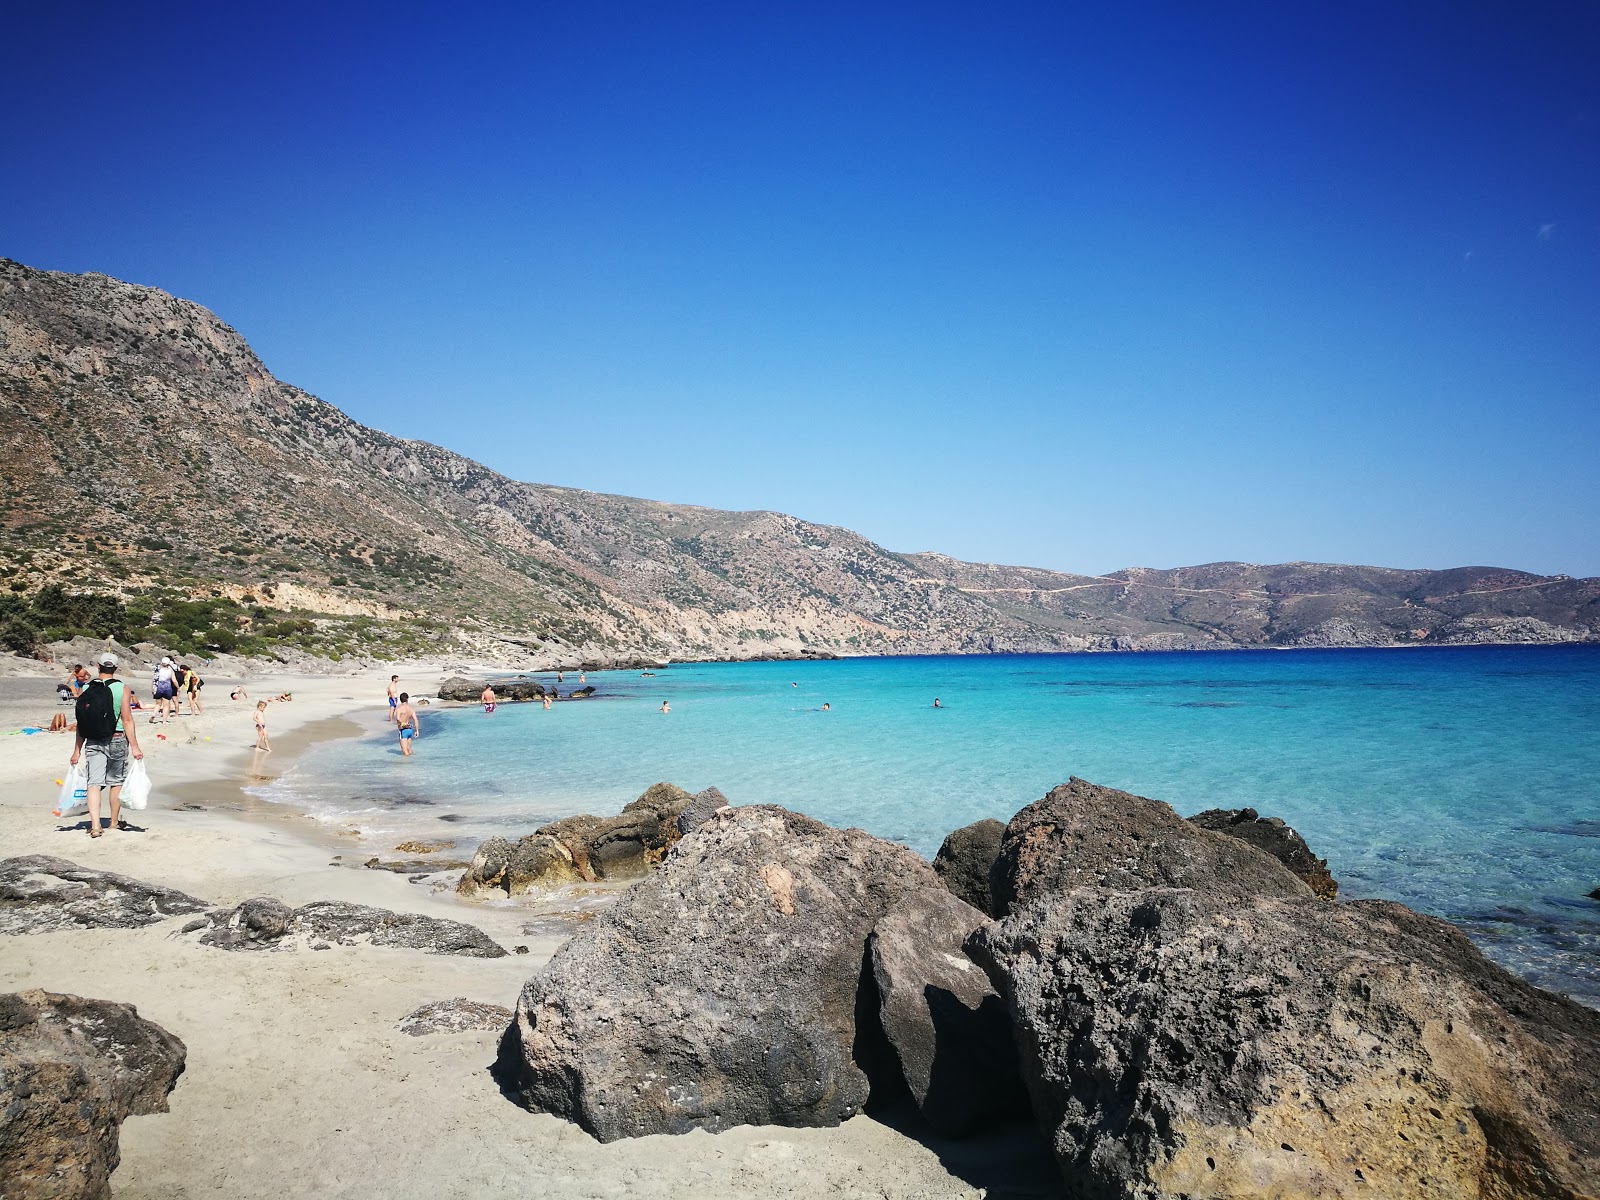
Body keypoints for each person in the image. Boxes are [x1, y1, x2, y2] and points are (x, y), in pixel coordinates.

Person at [69, 654, 143, 837]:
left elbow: (82, 722)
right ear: (115, 669)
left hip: (93, 739)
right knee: (115, 782)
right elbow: (127, 719)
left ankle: (95, 825)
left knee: (93, 783)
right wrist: (134, 746)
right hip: (116, 738)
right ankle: (114, 822)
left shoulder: (86, 687)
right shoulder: (122, 688)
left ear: (98, 667)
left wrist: (76, 751)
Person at [150, 657, 177, 723]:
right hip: (167, 688)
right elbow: (174, 680)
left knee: (158, 704)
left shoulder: (157, 670)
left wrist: (152, 688)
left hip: (158, 688)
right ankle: (164, 721)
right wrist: (178, 687)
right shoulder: (170, 671)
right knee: (166, 706)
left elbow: (154, 679)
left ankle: (154, 714)